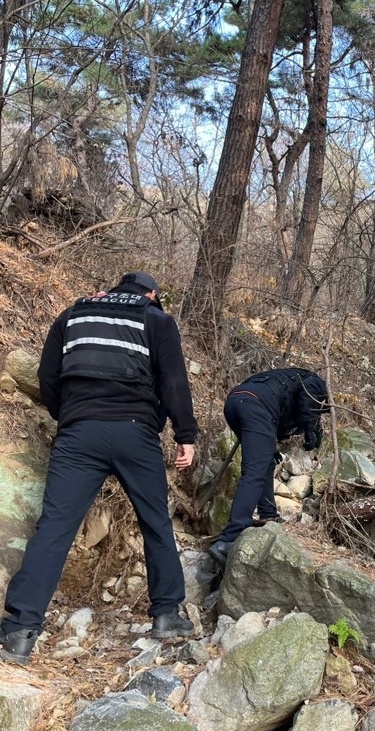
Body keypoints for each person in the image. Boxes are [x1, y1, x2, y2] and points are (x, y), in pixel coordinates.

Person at [0, 270, 198, 666]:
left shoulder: (73, 314)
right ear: (152, 294)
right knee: (155, 522)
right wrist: (185, 435)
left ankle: (20, 631)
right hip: (135, 434)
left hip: (78, 434)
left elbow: (47, 376)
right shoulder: (155, 319)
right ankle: (166, 615)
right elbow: (174, 381)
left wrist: (69, 415)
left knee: (54, 526)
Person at [208, 367, 328, 564]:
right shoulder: (316, 382)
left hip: (235, 403)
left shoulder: (283, 377)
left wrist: (270, 442)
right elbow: (307, 402)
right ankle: (228, 540)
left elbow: (278, 405)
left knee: (265, 464)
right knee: (254, 472)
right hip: (257, 408)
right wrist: (312, 429)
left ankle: (268, 515)